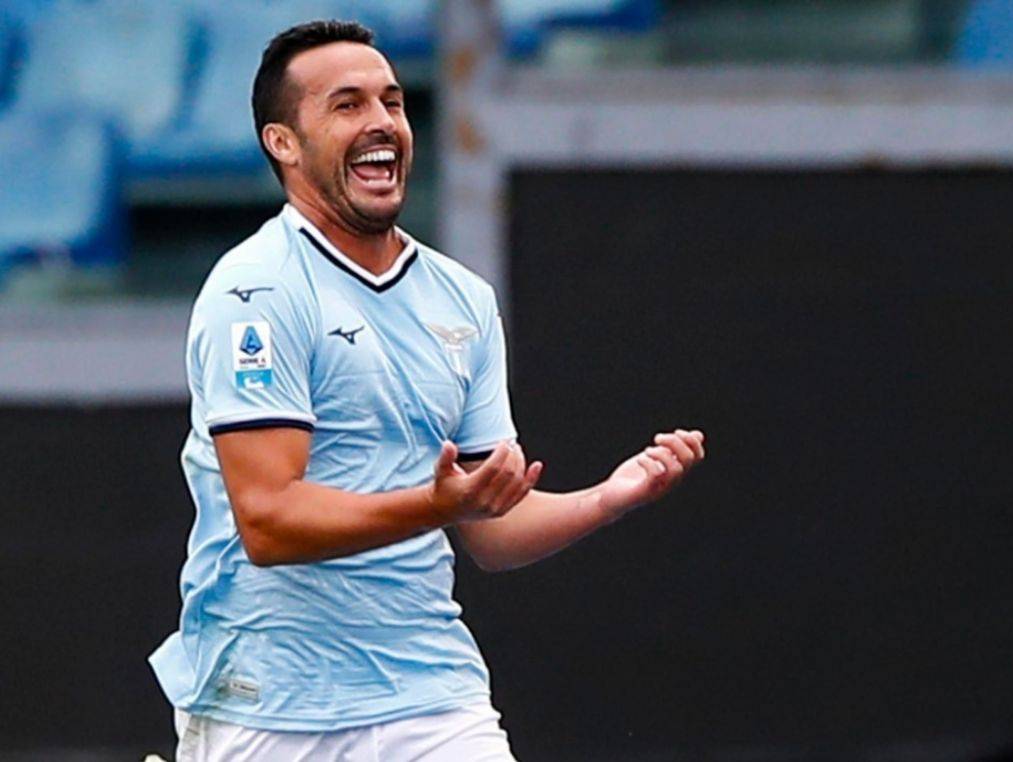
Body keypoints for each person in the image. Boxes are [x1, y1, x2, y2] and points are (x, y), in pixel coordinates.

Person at [148, 19, 706, 761]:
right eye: (347, 105)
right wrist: (436, 505)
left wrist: (606, 498)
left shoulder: (463, 299)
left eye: (392, 101)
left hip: (433, 698)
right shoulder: (255, 290)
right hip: (271, 704)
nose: (381, 121)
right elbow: (270, 522)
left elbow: (490, 528)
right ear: (283, 142)